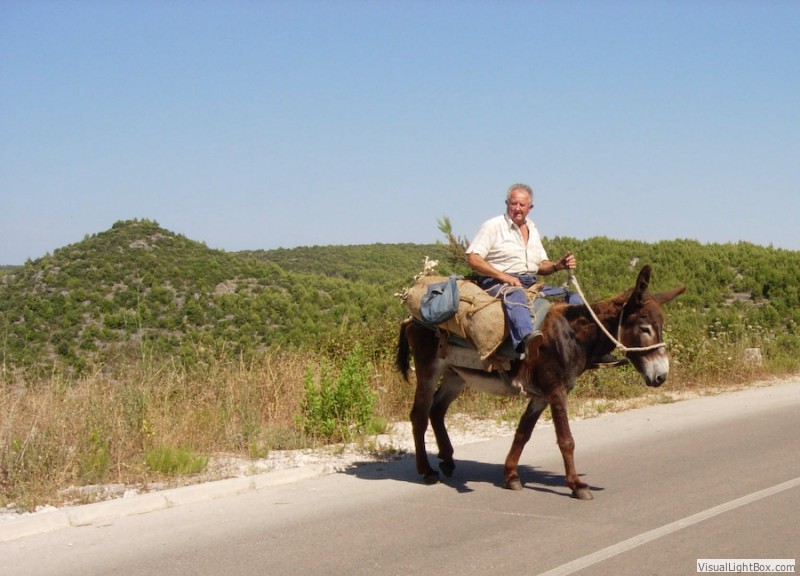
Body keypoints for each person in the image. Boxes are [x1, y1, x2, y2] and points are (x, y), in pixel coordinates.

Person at [466, 183, 576, 357]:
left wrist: (557, 266)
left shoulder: (532, 228)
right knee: (516, 295)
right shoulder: (493, 226)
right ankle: (526, 341)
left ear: (530, 208)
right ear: (506, 203)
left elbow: (540, 265)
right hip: (497, 282)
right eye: (513, 203)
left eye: (522, 205)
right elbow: (473, 258)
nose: (517, 208)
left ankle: (589, 343)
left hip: (529, 282)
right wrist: (503, 276)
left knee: (572, 296)